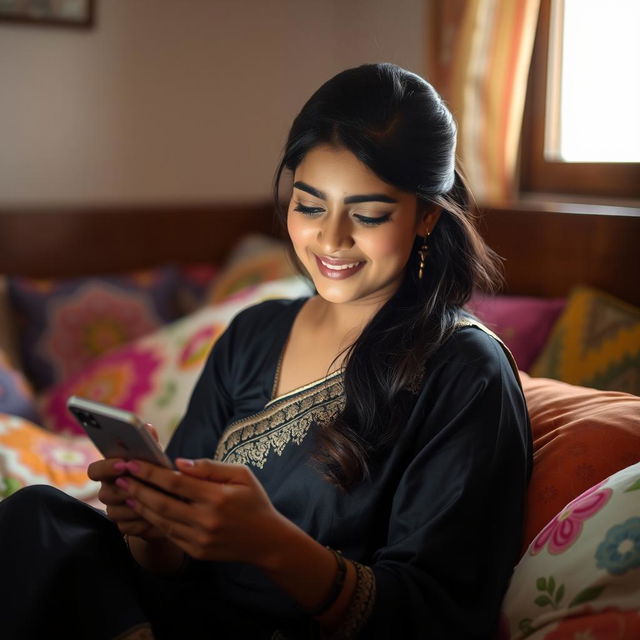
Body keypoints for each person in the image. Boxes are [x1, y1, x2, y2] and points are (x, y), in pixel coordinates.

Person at [0, 63, 532, 639]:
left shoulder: (465, 371)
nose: (331, 239)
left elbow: (436, 616)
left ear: (427, 213)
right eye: (309, 206)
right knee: (39, 519)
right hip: (187, 617)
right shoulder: (254, 334)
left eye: (369, 214)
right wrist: (153, 528)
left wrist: (274, 545)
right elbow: (174, 564)